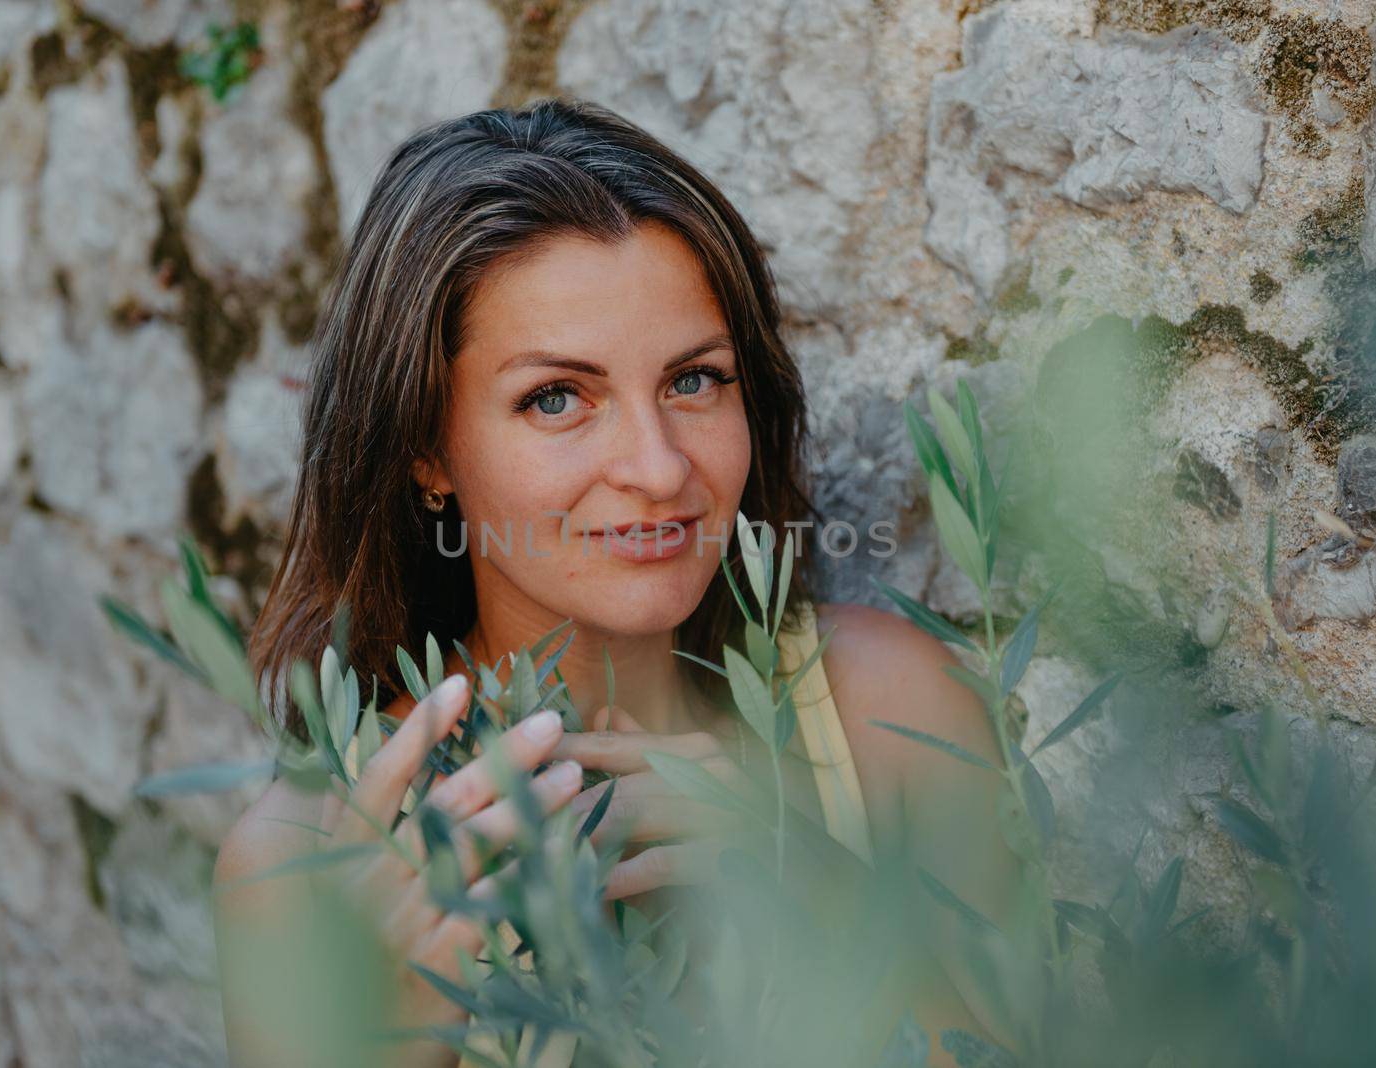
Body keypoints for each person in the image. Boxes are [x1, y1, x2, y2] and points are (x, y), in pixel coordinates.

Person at [212, 98, 1022, 1068]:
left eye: (694, 380)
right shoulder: (306, 864)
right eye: (557, 397)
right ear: (427, 448)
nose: (657, 466)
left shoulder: (892, 713)